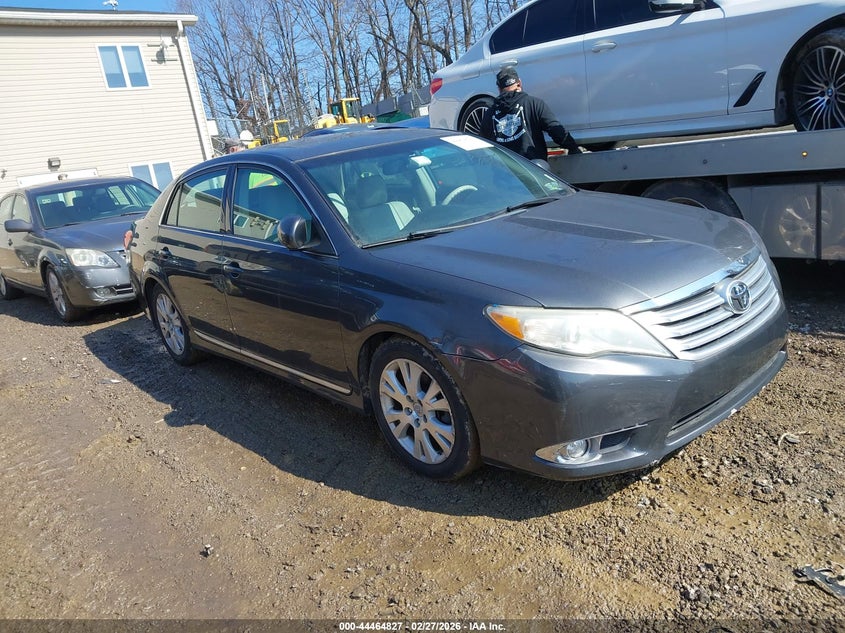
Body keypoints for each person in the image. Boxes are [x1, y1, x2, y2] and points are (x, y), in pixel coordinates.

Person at [480, 66, 582, 161]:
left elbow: (482, 145)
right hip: (533, 171)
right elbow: (556, 131)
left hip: (505, 174)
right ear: (519, 83)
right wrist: (573, 148)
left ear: (499, 88)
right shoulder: (534, 104)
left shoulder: (490, 113)